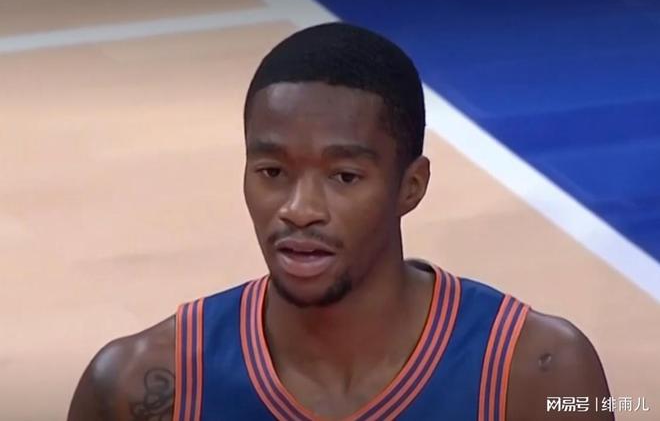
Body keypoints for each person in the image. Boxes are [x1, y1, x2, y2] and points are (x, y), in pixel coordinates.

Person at [68, 22, 612, 421]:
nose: (299, 208)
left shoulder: (542, 376)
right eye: (272, 171)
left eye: (344, 176)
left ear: (411, 186)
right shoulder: (137, 386)